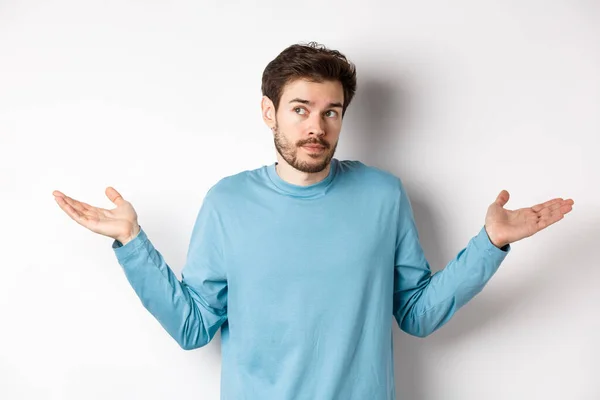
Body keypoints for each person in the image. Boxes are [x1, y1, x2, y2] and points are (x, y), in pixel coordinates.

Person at [53, 42, 574, 400]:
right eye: (300, 109)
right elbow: (193, 327)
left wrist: (491, 244)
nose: (316, 127)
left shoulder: (382, 195)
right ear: (269, 112)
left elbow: (416, 313)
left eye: (331, 111)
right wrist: (130, 240)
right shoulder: (227, 203)